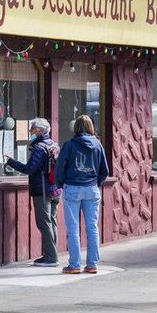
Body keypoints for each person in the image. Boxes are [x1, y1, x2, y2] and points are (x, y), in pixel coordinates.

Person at [55, 114, 109, 274]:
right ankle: (92, 264)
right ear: (91, 127)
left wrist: (61, 184)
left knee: (73, 228)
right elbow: (104, 170)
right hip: (91, 188)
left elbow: (59, 167)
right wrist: (96, 182)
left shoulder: (69, 144)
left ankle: (74, 265)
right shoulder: (98, 145)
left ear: (76, 127)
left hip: (72, 187)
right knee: (92, 227)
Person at [4, 117, 61, 267]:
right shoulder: (54, 145)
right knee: (51, 222)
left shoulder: (39, 148)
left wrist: (10, 161)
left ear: (39, 130)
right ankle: (51, 254)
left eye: (32, 129)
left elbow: (29, 169)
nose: (30, 132)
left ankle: (51, 257)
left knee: (44, 223)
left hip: (42, 191)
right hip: (55, 189)